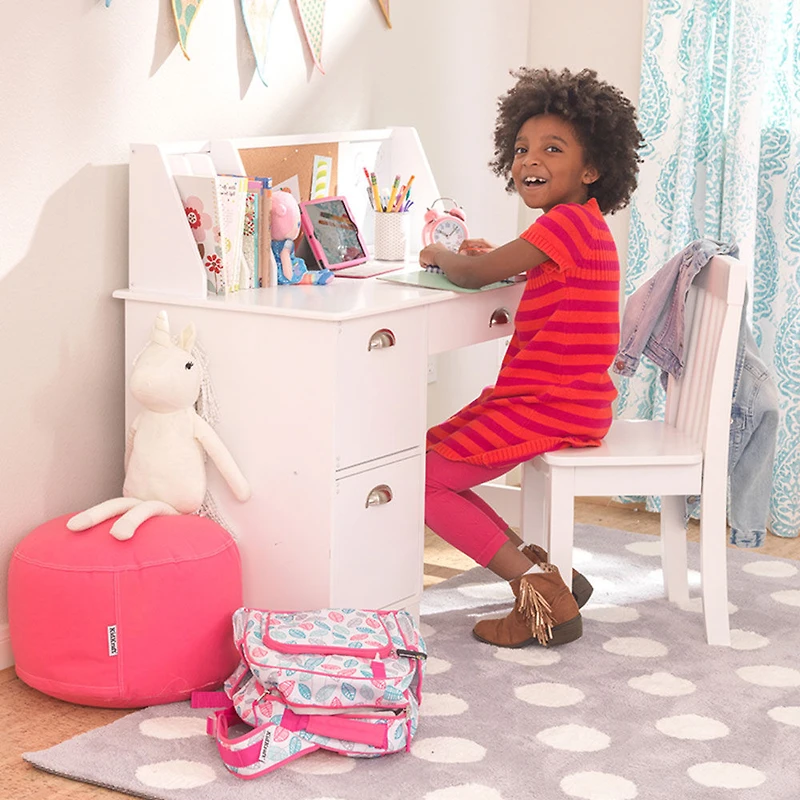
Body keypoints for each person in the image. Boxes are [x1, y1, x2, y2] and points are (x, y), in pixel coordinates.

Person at [419, 67, 644, 649]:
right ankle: (547, 576)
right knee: (424, 455)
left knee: (422, 480)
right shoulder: (576, 227)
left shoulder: (565, 223)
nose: (529, 160)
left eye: (552, 149)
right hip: (557, 398)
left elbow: (471, 275)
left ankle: (540, 592)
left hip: (548, 403)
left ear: (592, 170)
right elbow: (527, 268)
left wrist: (440, 253)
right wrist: (495, 256)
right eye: (521, 149)